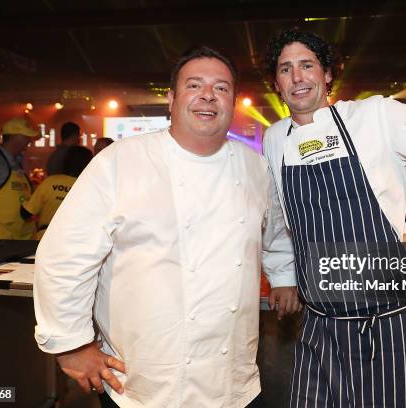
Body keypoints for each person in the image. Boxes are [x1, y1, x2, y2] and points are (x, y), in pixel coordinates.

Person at [33, 46, 299, 408]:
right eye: (194, 85)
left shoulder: (255, 168)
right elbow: (65, 254)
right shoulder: (121, 162)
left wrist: (283, 275)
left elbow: (275, 231)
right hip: (142, 383)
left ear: (233, 103)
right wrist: (71, 344)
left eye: (221, 88)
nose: (208, 95)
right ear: (171, 100)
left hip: (232, 380)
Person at [263, 29, 406, 407]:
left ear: (326, 74)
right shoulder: (275, 139)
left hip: (395, 326)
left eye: (307, 65)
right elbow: (278, 213)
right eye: (286, 69)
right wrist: (284, 275)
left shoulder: (376, 116)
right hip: (322, 326)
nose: (298, 77)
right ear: (277, 83)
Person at [21, 146, 93, 240]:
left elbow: (26, 213)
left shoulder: (50, 182)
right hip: (74, 241)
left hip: (44, 239)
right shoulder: (88, 188)